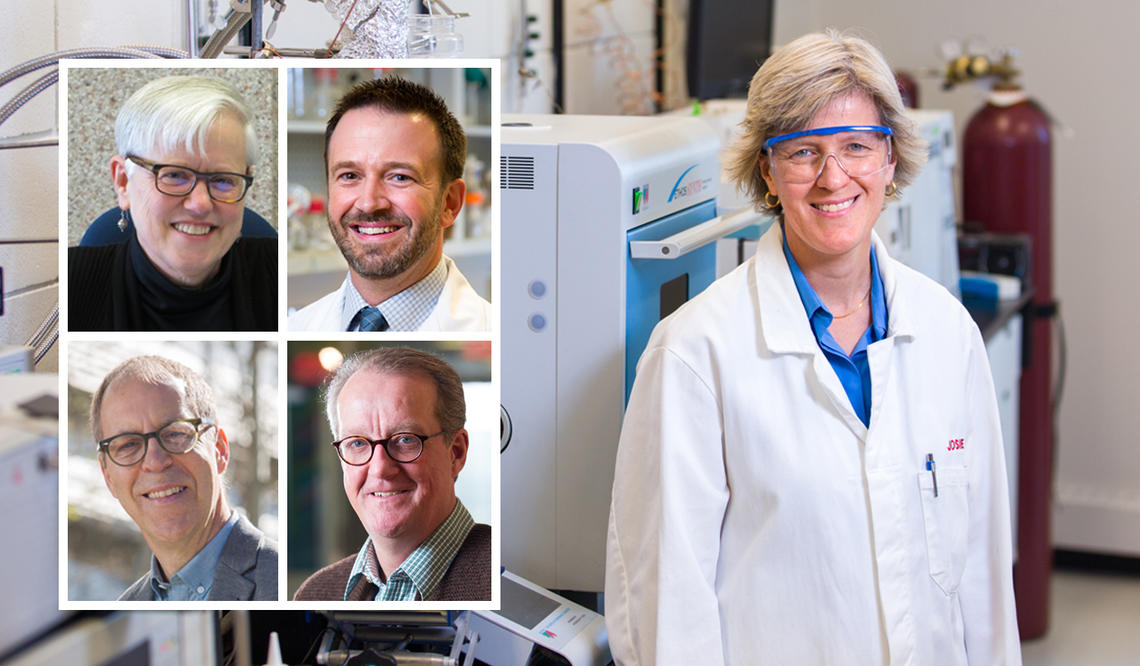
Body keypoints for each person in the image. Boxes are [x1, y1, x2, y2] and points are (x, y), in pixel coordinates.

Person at [605, 30, 1021, 665]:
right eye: (802, 151)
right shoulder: (695, 353)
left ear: (889, 161)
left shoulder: (947, 332)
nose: (834, 178)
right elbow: (667, 609)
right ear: (768, 172)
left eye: (857, 146)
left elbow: (983, 579)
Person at [69, 75, 276, 331]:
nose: (200, 204)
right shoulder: (71, 287)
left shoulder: (282, 278)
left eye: (223, 179)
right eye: (174, 175)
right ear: (123, 181)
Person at [287, 76, 491, 332]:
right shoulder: (296, 327)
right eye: (349, 176)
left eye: (400, 177)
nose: (369, 203)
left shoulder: (494, 331)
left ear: (449, 203)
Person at [294, 347, 490, 601]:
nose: (380, 468)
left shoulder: (507, 579)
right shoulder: (316, 595)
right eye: (357, 443)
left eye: (406, 439)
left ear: (456, 452)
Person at [91, 355, 277, 601]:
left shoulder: (284, 585)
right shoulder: (121, 616)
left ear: (220, 449)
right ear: (108, 477)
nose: (155, 462)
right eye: (128, 445)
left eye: (175, 433)